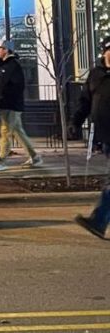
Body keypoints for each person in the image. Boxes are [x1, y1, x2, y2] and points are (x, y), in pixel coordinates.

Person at [71, 38, 110, 240]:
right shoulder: (96, 75)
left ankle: (99, 221)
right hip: (106, 136)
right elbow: (85, 101)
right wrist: (75, 122)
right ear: (104, 52)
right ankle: (99, 222)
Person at [0, 37, 43, 169]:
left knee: (5, 132)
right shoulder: (5, 66)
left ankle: (1, 161)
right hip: (8, 105)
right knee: (17, 132)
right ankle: (34, 157)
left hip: (10, 105)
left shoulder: (13, 66)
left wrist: (4, 98)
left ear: (6, 50)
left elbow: (16, 87)